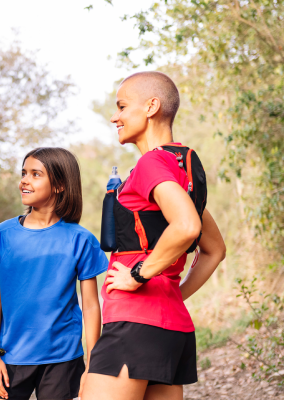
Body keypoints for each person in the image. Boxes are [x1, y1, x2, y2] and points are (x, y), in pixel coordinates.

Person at [80, 71, 227, 400]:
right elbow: (214, 249)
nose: (114, 116)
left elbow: (187, 226)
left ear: (151, 106)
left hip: (133, 326)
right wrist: (174, 293)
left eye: (121, 106)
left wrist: (138, 275)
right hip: (172, 329)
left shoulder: (150, 165)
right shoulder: (180, 170)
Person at [0, 147, 108, 400]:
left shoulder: (81, 240)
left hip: (63, 358)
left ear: (59, 185)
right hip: (11, 355)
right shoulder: (3, 234)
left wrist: (92, 364)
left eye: (36, 174)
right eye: (24, 173)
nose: (24, 180)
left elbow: (90, 305)